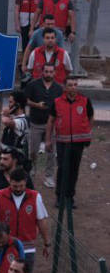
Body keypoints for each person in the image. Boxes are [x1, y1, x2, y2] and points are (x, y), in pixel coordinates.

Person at [0, 168, 50, 273]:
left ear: (26, 182)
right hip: (5, 247)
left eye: (21, 186)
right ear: (9, 181)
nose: (18, 189)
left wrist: (47, 243)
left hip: (28, 248)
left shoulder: (35, 197)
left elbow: (41, 221)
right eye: (15, 186)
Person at [48, 76, 93, 205]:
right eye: (70, 85)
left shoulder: (85, 101)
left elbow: (90, 117)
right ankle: (59, 196)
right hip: (62, 142)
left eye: (75, 85)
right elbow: (50, 121)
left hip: (78, 142)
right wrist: (48, 140)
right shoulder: (57, 102)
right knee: (62, 168)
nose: (73, 87)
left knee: (74, 169)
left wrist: (88, 133)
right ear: (64, 87)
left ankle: (70, 197)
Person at [24, 63, 63, 189]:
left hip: (52, 125)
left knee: (51, 152)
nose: (48, 74)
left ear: (54, 73)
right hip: (36, 123)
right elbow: (25, 100)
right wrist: (37, 105)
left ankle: (49, 176)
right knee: (33, 151)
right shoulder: (33, 85)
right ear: (42, 72)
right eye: (46, 71)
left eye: (51, 72)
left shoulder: (59, 88)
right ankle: (31, 170)